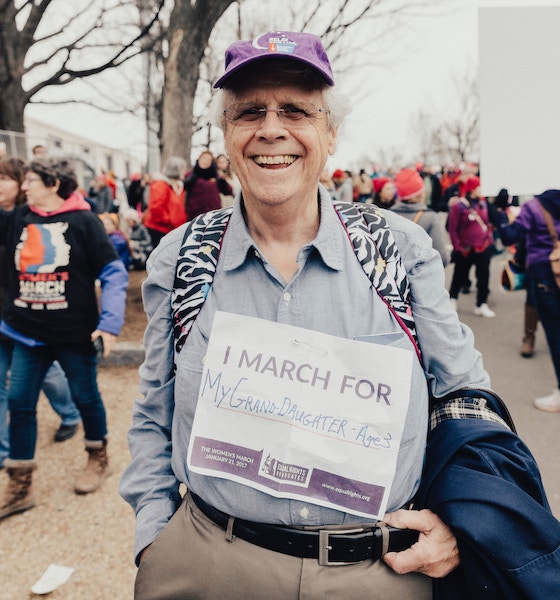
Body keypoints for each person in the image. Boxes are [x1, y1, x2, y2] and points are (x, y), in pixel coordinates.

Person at [120, 32, 560, 599]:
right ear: (226, 135)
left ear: (330, 133)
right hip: (208, 568)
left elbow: (465, 396)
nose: (271, 129)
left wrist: (462, 524)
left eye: (296, 110)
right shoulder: (182, 259)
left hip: (377, 573)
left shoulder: (397, 249)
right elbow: (155, 407)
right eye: (249, 111)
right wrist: (155, 535)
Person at [0, 156, 128, 520]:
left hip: (74, 334)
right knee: (19, 402)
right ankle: (20, 483)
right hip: (26, 332)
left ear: (54, 184)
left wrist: (109, 324)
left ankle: (97, 456)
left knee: (85, 396)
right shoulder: (18, 219)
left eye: (30, 181)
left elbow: (114, 274)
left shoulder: (84, 222)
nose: (24, 187)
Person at [0, 158, 81, 465]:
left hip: (27, 317)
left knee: (46, 373)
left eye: (5, 179)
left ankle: (70, 413)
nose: (2, 185)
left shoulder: (31, 219)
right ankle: (5, 453)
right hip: (8, 314)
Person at [495, 189, 560, 411]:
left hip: (545, 276)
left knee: (555, 335)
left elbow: (509, 237)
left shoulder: (534, 207)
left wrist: (501, 210)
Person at [447, 176, 496, 317]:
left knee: (484, 276)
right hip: (465, 248)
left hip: (483, 247)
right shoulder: (458, 206)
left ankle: (481, 304)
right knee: (459, 275)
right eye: (479, 186)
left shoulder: (483, 203)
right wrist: (457, 247)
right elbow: (452, 228)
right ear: (472, 188)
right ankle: (452, 299)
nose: (481, 189)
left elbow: (487, 223)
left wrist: (488, 239)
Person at [392, 168, 449, 266]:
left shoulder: (387, 215)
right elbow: (441, 258)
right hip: (420, 277)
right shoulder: (431, 218)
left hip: (394, 276)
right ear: (421, 194)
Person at [143, 156, 187, 249]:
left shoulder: (178, 186)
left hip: (172, 228)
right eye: (182, 169)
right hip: (160, 229)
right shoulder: (161, 184)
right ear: (176, 169)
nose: (184, 171)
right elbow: (156, 208)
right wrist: (170, 220)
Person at [184, 150, 233, 219]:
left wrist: (222, 182)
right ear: (199, 159)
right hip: (194, 215)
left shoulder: (216, 176)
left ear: (211, 163)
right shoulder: (190, 174)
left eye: (208, 159)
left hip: (213, 215)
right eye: (203, 158)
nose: (205, 161)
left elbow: (228, 191)